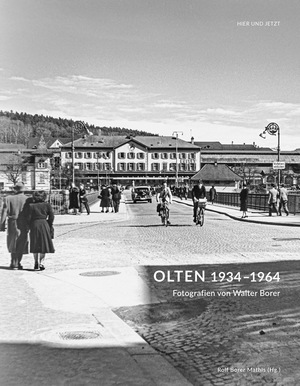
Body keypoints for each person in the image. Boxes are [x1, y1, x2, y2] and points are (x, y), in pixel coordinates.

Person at [0, 182, 29, 269]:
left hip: (12, 222)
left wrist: (1, 224)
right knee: (22, 241)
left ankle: (13, 261)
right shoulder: (27, 199)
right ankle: (18, 262)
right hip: (23, 223)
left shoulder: (8, 198)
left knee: (13, 241)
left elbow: (4, 212)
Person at [27, 191, 55, 270]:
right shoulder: (47, 205)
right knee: (44, 243)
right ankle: (42, 262)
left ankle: (36, 262)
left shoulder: (31, 206)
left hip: (34, 224)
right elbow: (52, 216)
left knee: (35, 243)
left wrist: (29, 226)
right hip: (44, 224)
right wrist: (49, 224)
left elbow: (28, 218)